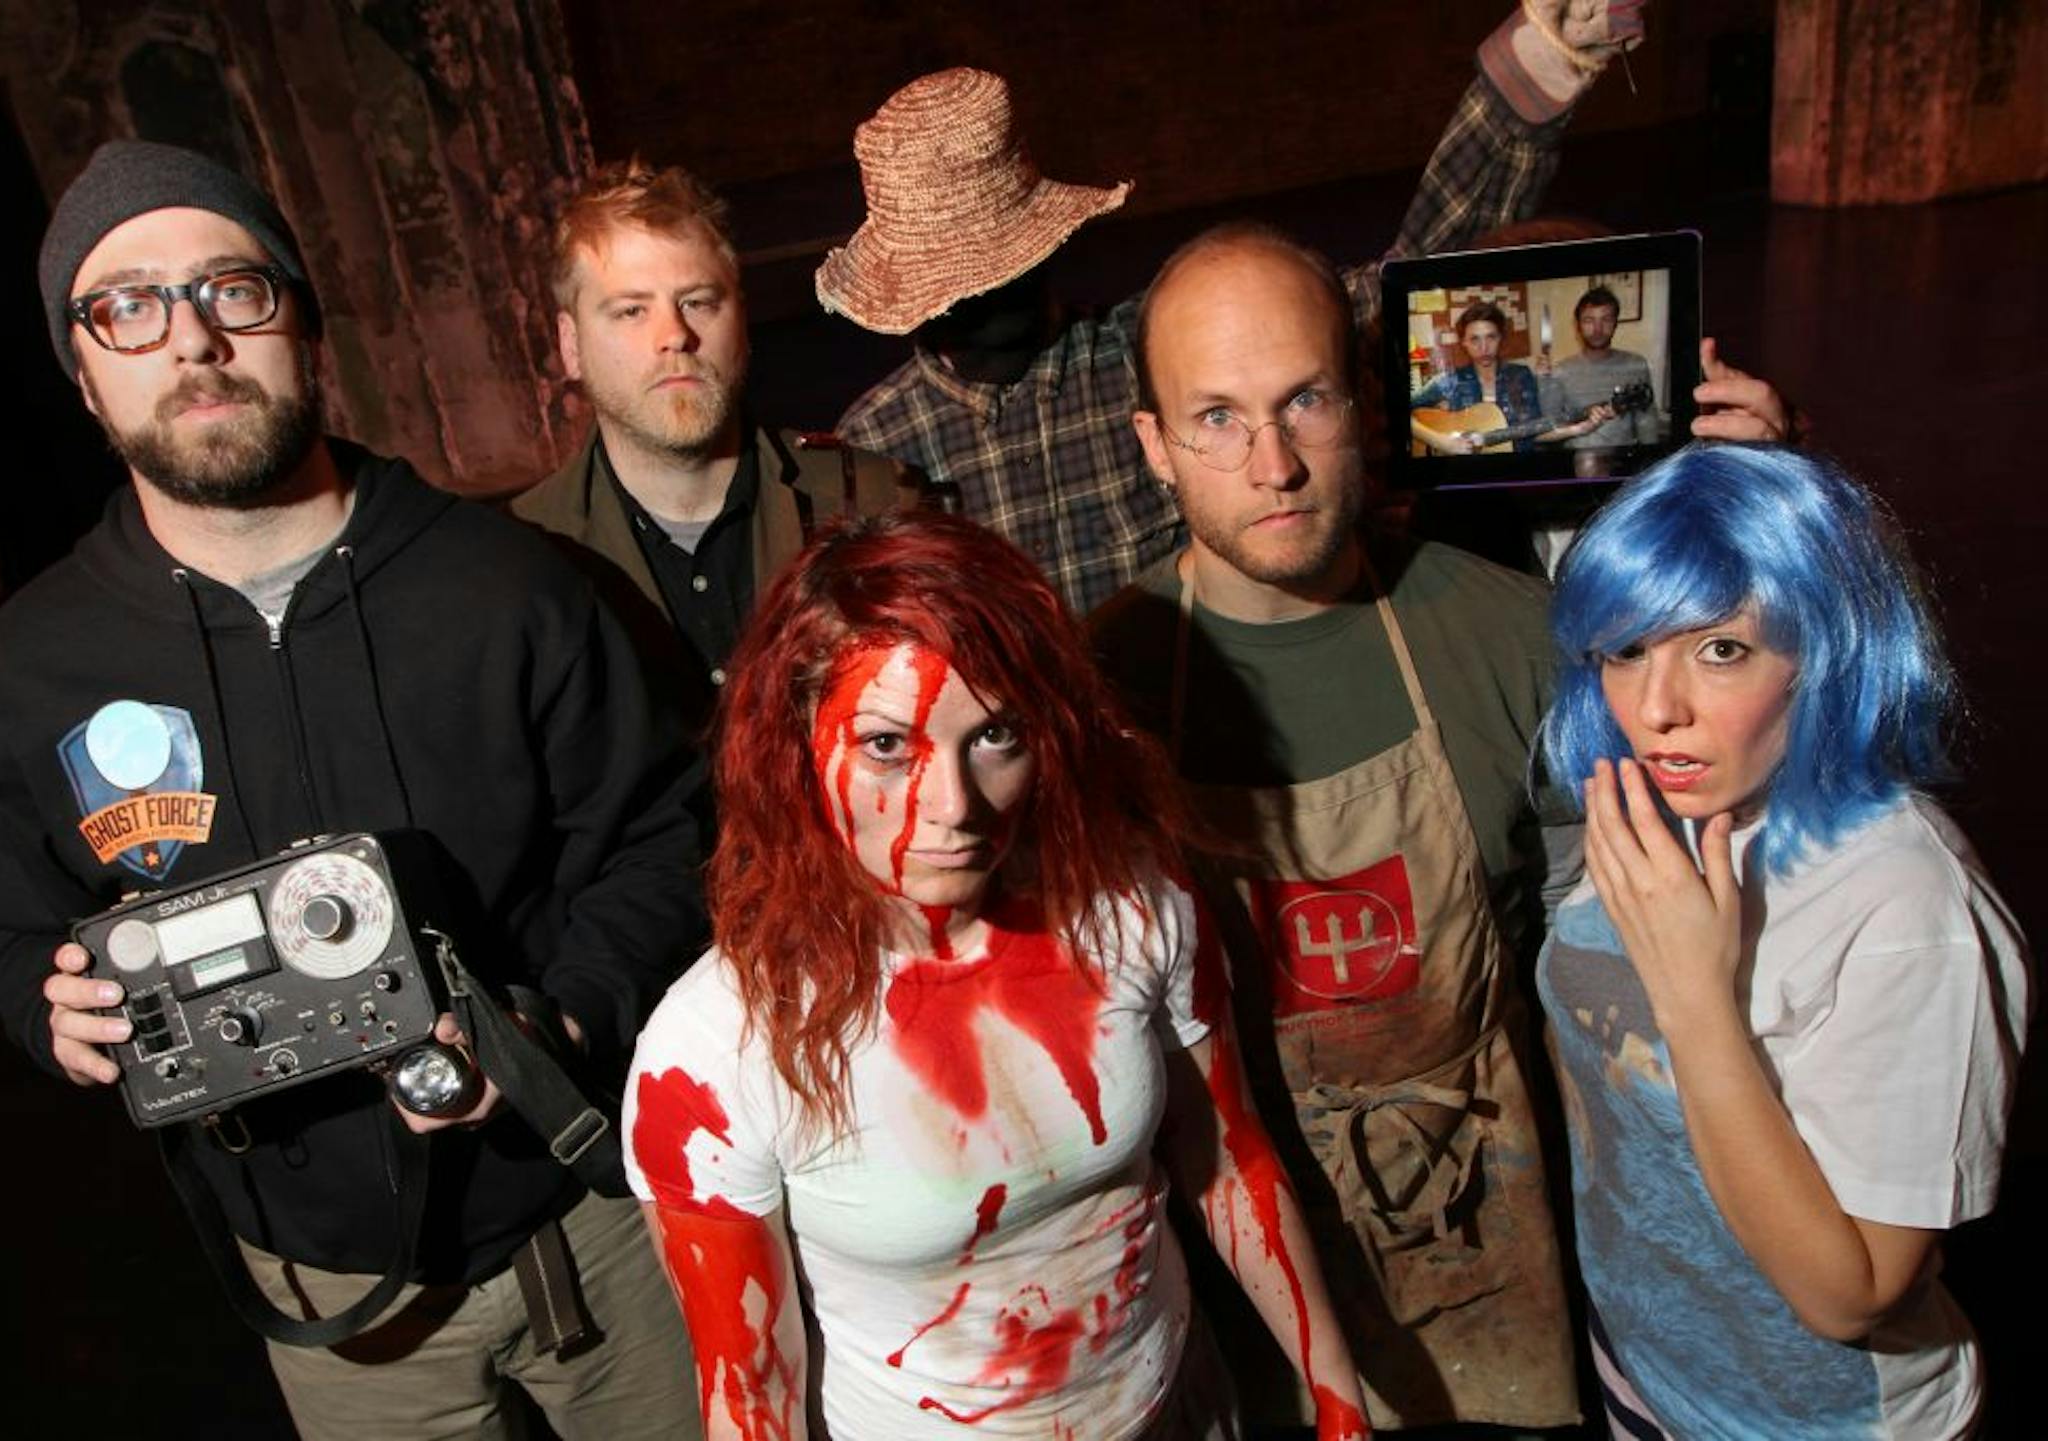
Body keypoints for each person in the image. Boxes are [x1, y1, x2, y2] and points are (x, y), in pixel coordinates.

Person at [0, 140, 708, 1438]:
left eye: (232, 289)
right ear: (83, 374)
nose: (192, 341)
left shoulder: (508, 587)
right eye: (127, 306)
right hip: (327, 1293)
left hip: (595, 1220)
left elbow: (661, 842)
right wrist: (44, 1001)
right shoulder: (32, 665)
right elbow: (3, 922)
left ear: (301, 320)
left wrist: (553, 1027)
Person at [620, 511, 1373, 1439]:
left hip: (1182, 1403)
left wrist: (1338, 1400)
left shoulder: (1129, 901)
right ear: (796, 746)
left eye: (997, 735)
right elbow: (748, 1393)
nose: (955, 807)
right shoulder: (709, 1053)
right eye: (889, 744)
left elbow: (1229, 1165)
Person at [1092, 222, 1582, 1433]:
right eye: (1215, 418)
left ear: (1362, 399)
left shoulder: (1517, 635)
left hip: (1495, 1230)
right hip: (1255, 1281)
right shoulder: (1093, 694)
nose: (1274, 465)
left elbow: (1613, 966)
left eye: (1302, 400)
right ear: (1153, 446)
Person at [817, 0, 1646, 614]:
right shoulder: (880, 444)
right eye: (959, 280)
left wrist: (1540, 62)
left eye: (1001, 263)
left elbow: (1405, 274)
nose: (986, 292)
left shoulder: (1149, 356)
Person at [1536, 443, 2030, 1439]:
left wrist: (1692, 996)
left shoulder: (1902, 906)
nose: (1655, 708)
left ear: (1827, 651)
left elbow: (1850, 1295)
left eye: (1721, 650)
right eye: (1627, 649)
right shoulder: (1657, 796)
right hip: (1646, 1374)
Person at [513, 157, 927, 702]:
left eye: (698, 302)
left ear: (741, 320)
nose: (674, 335)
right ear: (571, 346)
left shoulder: (872, 499)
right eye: (631, 311)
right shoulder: (524, 551)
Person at [1408, 300, 1601, 453]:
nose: (1483, 348)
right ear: (1464, 342)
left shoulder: (1521, 376)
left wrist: (1578, 429)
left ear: (1500, 338)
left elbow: (1532, 433)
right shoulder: (1449, 381)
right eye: (1475, 339)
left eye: (1491, 337)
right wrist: (1440, 442)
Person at [1536, 284, 1661, 449]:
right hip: (1578, 463)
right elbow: (1548, 428)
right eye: (1589, 320)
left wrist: (1650, 460)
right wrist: (1542, 381)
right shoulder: (1560, 371)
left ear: (1615, 323)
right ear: (1578, 325)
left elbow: (1647, 420)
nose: (1597, 329)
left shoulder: (1635, 364)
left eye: (1606, 319)